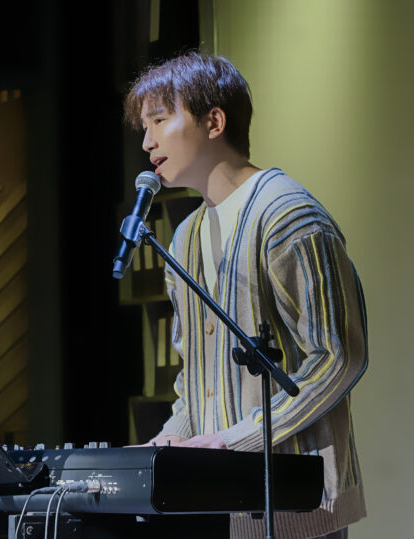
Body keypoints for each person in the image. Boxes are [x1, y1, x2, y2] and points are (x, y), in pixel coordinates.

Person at [123, 52, 368, 539]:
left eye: (159, 120)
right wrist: (173, 438)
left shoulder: (287, 214)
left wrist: (234, 440)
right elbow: (197, 374)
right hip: (221, 501)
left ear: (214, 122)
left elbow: (339, 357)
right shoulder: (184, 237)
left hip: (297, 501)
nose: (147, 142)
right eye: (144, 127)